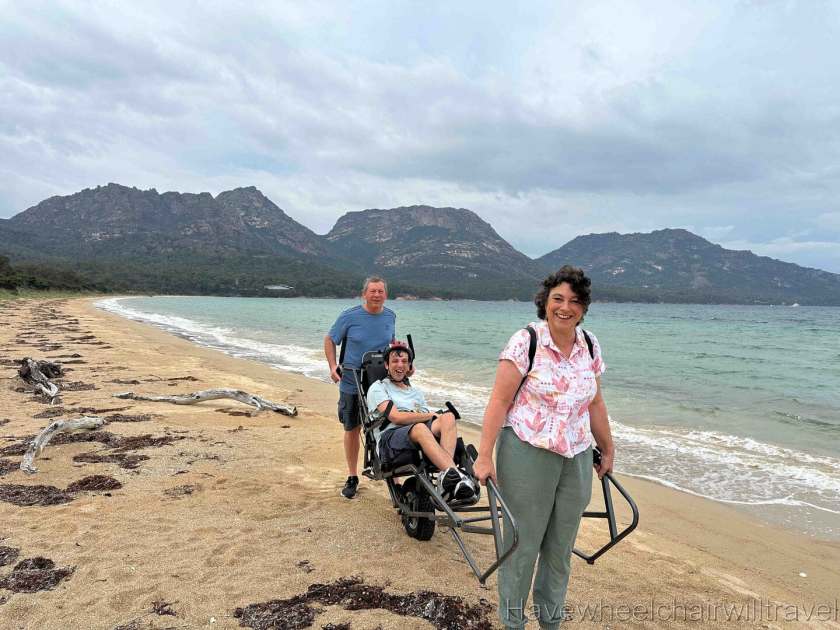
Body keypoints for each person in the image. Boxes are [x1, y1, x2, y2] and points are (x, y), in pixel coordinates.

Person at [473, 265, 615, 630]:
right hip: (527, 452)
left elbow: (596, 403)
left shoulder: (589, 344)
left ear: (583, 307)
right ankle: (513, 623)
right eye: (558, 299)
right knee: (522, 545)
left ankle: (550, 622)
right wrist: (484, 456)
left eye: (574, 301)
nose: (565, 307)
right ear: (545, 302)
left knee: (560, 549)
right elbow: (499, 402)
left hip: (576, 456)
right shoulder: (526, 341)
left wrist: (607, 448)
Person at [367, 341, 478, 504]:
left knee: (448, 417)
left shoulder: (416, 392)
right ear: (386, 365)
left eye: (404, 361)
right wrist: (430, 415)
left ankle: (447, 477)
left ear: (409, 366)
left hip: (417, 435)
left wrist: (436, 417)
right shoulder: (378, 388)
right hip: (389, 439)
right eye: (395, 361)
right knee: (420, 427)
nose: (400, 365)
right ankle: (456, 475)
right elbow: (396, 417)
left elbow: (429, 420)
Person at [325, 276, 396, 499]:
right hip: (352, 380)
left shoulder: (390, 316)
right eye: (372, 291)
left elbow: (391, 346)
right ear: (364, 294)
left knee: (388, 424)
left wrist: (403, 365)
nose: (376, 295)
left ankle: (393, 474)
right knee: (352, 427)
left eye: (380, 291)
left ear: (386, 294)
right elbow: (330, 339)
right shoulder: (349, 316)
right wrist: (333, 366)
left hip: (379, 382)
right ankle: (352, 476)